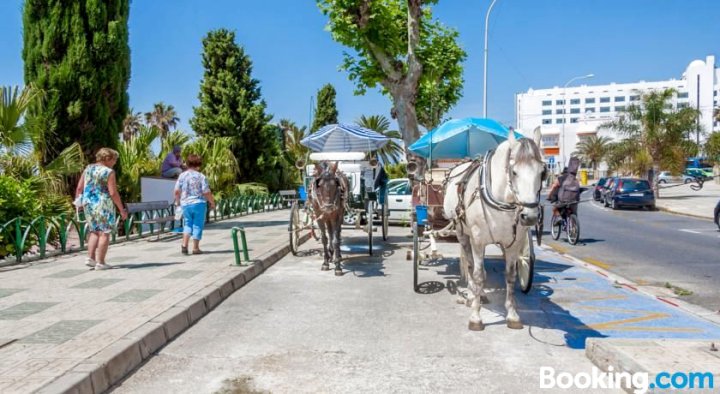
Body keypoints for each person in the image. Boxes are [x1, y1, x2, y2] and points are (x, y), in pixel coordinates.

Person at [75, 148, 128, 270]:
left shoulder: (88, 168)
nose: (115, 163)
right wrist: (121, 209)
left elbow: (79, 188)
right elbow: (113, 193)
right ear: (107, 159)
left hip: (88, 204)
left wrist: (78, 203)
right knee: (105, 232)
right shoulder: (109, 172)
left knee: (94, 231)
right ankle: (101, 262)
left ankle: (90, 258)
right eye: (114, 160)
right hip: (103, 204)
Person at [174, 154, 216, 255]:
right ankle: (195, 248)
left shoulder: (182, 176)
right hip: (198, 204)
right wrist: (212, 202)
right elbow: (206, 192)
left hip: (185, 204)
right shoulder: (201, 176)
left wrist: (178, 201)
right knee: (197, 225)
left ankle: (184, 245)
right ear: (198, 164)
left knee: (187, 224)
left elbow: (176, 191)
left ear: (188, 164)